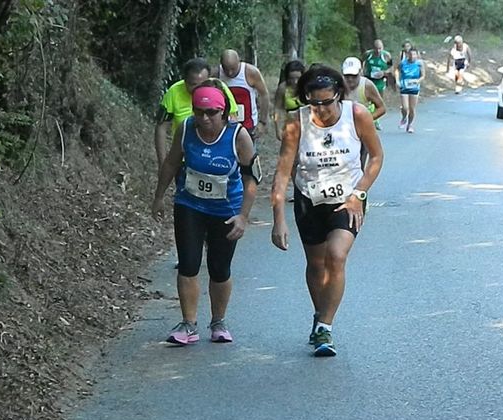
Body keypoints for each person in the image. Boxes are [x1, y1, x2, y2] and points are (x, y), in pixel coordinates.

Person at [270, 66, 383, 357]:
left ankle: (325, 328)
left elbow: (376, 157)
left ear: (338, 96)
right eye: (314, 103)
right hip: (309, 198)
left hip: (348, 198)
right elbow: (283, 173)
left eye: (327, 102)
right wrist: (278, 218)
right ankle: (320, 314)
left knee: (336, 256)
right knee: (316, 265)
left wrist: (359, 193)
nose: (321, 109)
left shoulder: (357, 115)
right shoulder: (296, 123)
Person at [152, 80, 260, 345]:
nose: (205, 118)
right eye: (200, 112)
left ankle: (218, 321)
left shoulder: (238, 136)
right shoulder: (187, 128)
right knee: (188, 263)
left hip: (226, 209)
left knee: (219, 268)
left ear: (223, 112)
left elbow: (252, 178)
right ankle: (188, 324)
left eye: (212, 112)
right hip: (190, 204)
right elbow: (171, 161)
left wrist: (243, 216)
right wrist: (158, 196)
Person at [154, 58, 238, 169]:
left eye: (203, 83)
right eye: (192, 84)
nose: (198, 88)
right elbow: (161, 127)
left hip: (217, 156)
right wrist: (163, 163)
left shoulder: (220, 89)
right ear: (184, 80)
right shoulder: (174, 92)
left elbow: (233, 120)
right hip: (185, 156)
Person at [342, 56, 386, 168]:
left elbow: (381, 108)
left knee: (359, 162)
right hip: (342, 129)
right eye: (347, 76)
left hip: (362, 130)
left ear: (360, 73)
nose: (350, 79)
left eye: (354, 76)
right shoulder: (338, 86)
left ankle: (359, 184)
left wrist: (367, 120)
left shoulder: (366, 86)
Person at [217, 49, 270, 141]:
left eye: (233, 68)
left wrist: (263, 122)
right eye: (226, 69)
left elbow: (264, 95)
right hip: (225, 124)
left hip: (248, 125)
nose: (230, 73)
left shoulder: (251, 72)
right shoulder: (216, 74)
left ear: (239, 62)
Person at [274, 60, 306, 141]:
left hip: (307, 125)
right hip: (291, 125)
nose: (295, 82)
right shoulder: (283, 88)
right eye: (291, 78)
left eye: (298, 78)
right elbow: (278, 108)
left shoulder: (307, 87)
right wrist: (278, 128)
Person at [397, 48, 425, 133]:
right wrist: (397, 81)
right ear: (408, 55)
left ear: (417, 55)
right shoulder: (403, 63)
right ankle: (404, 117)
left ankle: (410, 125)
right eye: (411, 54)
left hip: (414, 87)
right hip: (404, 86)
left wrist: (418, 81)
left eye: (414, 55)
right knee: (405, 107)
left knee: (412, 108)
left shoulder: (419, 63)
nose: (412, 56)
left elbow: (423, 76)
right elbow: (397, 70)